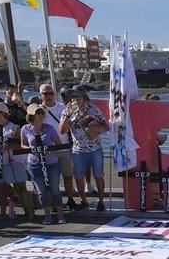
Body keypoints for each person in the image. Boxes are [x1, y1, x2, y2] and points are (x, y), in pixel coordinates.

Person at [59, 85, 109, 211]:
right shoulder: (68, 110)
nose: (75, 99)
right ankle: (84, 201)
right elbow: (62, 131)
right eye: (73, 97)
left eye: (78, 97)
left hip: (95, 148)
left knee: (98, 175)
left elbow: (106, 127)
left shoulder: (93, 109)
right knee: (79, 176)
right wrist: (67, 117)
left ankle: (101, 202)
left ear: (85, 97)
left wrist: (91, 128)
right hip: (78, 149)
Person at [0, 101, 32, 220]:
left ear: (2, 113)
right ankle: (3, 212)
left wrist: (8, 145)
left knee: (20, 186)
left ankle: (28, 210)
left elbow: (21, 146)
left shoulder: (14, 127)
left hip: (12, 162)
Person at [21, 103, 65, 225]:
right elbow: (23, 144)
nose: (40, 115)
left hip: (51, 162)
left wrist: (49, 150)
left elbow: (59, 144)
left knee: (55, 189)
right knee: (41, 191)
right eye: (37, 113)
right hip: (34, 163)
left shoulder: (49, 128)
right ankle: (47, 215)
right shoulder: (25, 129)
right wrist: (31, 150)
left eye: (41, 113)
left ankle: (60, 213)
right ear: (31, 116)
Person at [39, 83, 78, 211]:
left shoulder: (62, 107)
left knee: (68, 175)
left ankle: (70, 199)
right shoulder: (39, 110)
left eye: (51, 93)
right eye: (46, 94)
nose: (49, 96)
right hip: (49, 150)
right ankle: (55, 203)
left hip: (64, 148)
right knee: (52, 179)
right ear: (40, 95)